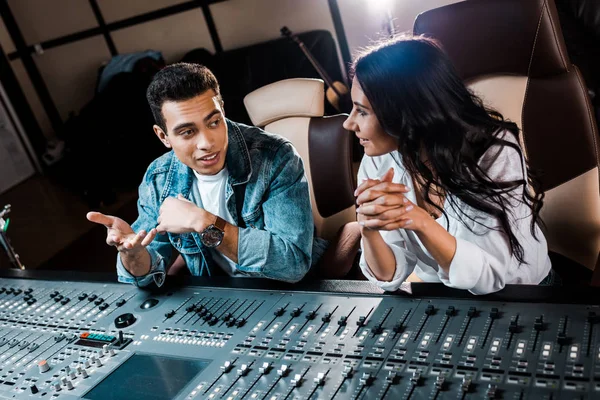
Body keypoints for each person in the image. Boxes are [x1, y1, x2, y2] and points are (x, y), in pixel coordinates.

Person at [343, 36, 553, 295]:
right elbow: (389, 276)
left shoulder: (491, 150)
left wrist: (418, 220)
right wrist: (369, 229)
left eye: (362, 111)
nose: (348, 123)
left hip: (520, 295)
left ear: (405, 111)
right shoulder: (378, 159)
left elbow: (492, 276)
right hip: (442, 295)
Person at [87, 63, 325, 287]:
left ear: (223, 110)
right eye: (188, 132)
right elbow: (147, 275)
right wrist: (133, 255)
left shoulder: (276, 157)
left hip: (282, 291)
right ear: (163, 137)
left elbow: (293, 262)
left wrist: (204, 222)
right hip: (219, 296)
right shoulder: (159, 178)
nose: (207, 143)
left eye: (213, 122)